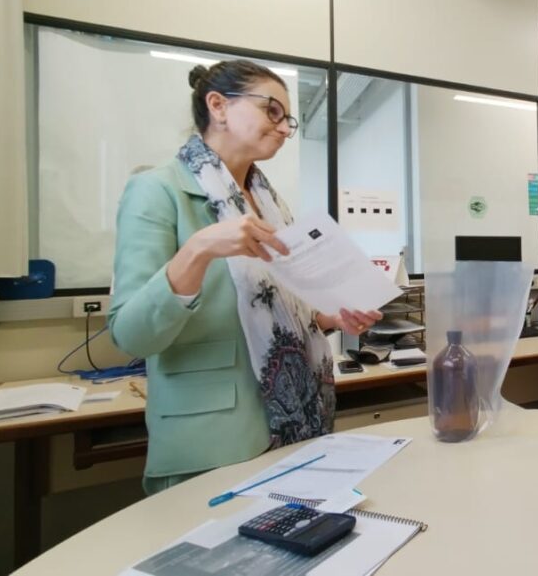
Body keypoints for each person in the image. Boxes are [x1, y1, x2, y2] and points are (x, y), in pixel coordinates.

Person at [108, 60, 381, 494]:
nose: (284, 128)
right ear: (218, 106)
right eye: (272, 110)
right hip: (215, 439)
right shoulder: (157, 190)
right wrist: (199, 249)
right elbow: (130, 335)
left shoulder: (269, 202)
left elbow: (276, 310)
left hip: (296, 429)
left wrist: (329, 318)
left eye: (287, 119)